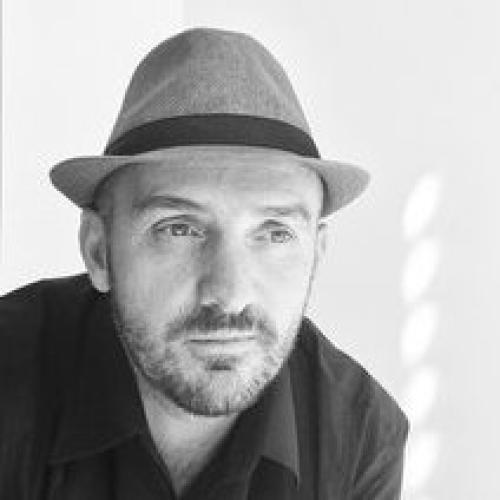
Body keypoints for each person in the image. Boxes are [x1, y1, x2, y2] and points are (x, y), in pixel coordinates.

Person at [0, 28, 408, 499]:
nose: (230, 294)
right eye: (179, 228)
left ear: (315, 254)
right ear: (99, 252)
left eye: (275, 233)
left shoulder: (359, 437)